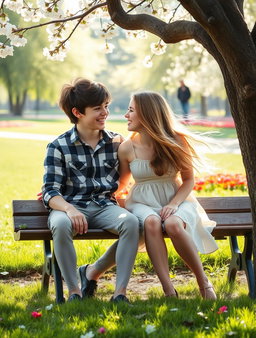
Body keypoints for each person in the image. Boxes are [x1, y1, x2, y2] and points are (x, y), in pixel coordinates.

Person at [42, 78, 139, 303]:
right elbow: (50, 191)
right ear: (77, 112)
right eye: (97, 108)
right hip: (70, 207)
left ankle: (120, 293)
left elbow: (128, 179)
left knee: (132, 222)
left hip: (105, 206)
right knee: (61, 223)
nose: (105, 112)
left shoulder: (116, 142)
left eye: (106, 106)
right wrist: (68, 209)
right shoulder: (58, 146)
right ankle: (75, 292)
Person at [117, 91, 218, 299]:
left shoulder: (176, 140)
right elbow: (121, 184)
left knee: (172, 224)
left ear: (147, 114)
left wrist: (173, 204)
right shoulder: (127, 147)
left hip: (177, 199)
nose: (126, 115)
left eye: (131, 110)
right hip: (141, 202)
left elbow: (189, 180)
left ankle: (203, 282)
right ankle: (168, 290)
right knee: (152, 222)